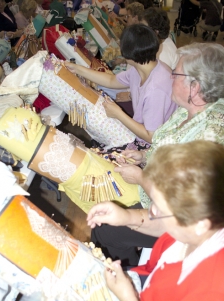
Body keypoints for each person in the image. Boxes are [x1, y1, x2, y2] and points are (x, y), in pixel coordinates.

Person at [74, 140, 224, 301]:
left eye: (159, 210)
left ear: (200, 224)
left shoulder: (212, 297)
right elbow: (165, 229)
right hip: (159, 290)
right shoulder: (201, 227)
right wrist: (128, 217)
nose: (151, 212)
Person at [90, 42, 224, 266]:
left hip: (180, 221)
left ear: (195, 87)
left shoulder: (210, 137)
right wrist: (144, 157)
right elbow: (166, 146)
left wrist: (141, 178)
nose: (170, 78)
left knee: (103, 231)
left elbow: (183, 205)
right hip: (157, 191)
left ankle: (130, 278)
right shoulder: (188, 109)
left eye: (176, 74)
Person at [66, 24, 177, 151]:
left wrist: (118, 113)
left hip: (151, 147)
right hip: (143, 133)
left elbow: (151, 137)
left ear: (128, 53)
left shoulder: (156, 89)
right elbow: (111, 80)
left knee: (98, 148)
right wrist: (78, 69)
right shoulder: (142, 67)